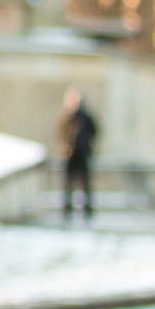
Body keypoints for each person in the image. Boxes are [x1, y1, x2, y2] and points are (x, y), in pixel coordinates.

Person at [58, 87, 99, 220]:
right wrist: (64, 146)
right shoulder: (66, 118)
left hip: (83, 154)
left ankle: (88, 211)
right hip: (70, 156)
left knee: (85, 185)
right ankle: (66, 210)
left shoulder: (86, 118)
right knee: (67, 186)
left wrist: (88, 145)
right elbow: (59, 133)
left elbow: (95, 132)